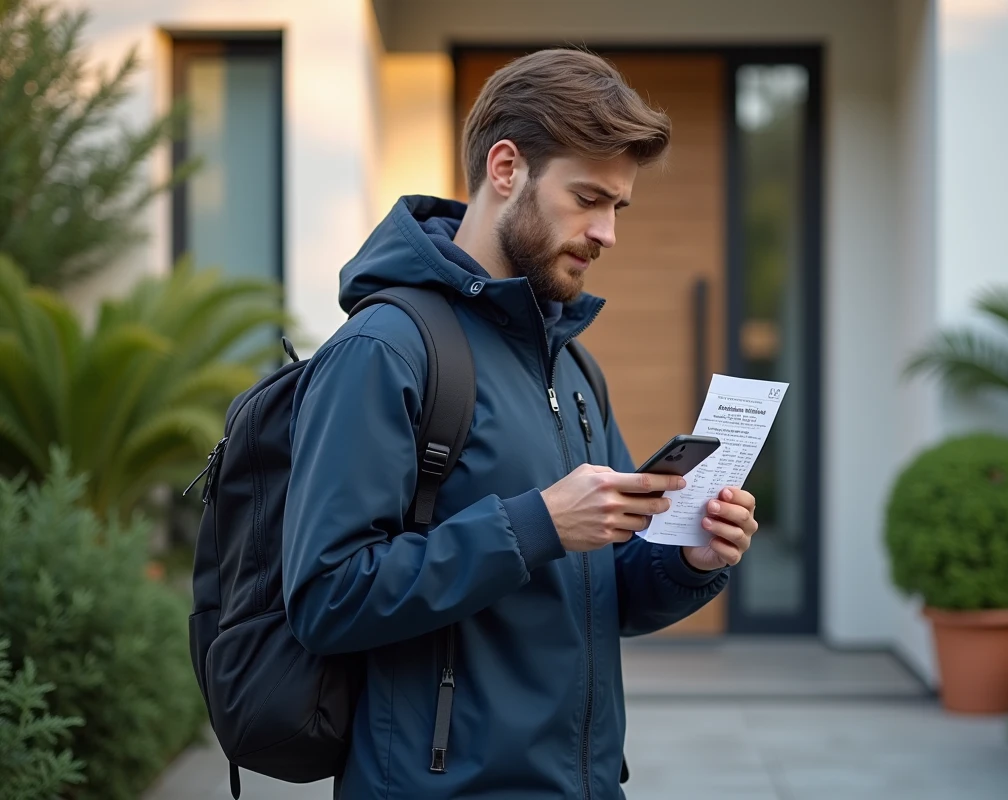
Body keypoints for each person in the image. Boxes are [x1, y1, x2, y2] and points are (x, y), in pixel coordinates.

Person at [281, 47, 760, 799]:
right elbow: (327, 599)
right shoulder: (385, 350)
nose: (607, 233)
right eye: (588, 198)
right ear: (506, 169)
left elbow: (610, 592)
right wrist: (534, 524)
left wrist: (691, 559)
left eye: (618, 207)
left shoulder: (573, 369)